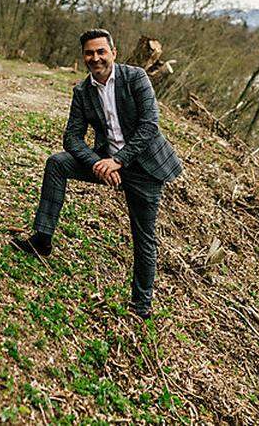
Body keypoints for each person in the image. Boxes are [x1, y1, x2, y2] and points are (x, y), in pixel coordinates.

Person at [10, 29, 183, 320]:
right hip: (106, 162)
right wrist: (97, 163)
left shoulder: (136, 77)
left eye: (101, 51)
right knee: (57, 163)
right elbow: (72, 138)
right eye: (89, 53)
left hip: (145, 167)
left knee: (143, 236)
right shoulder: (82, 91)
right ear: (83, 57)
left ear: (113, 53)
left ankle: (141, 306)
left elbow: (149, 126)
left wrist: (119, 161)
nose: (96, 58)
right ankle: (42, 239)